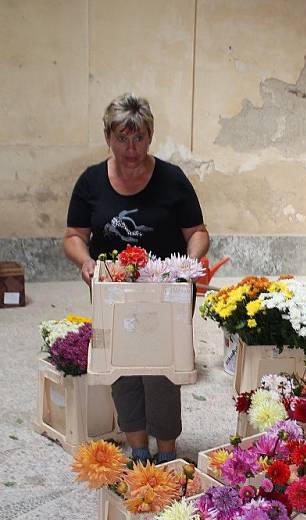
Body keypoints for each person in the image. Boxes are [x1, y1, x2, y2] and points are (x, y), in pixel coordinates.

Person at [64, 93, 209, 464]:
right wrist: (85, 261)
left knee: (163, 367)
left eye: (139, 138)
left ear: (150, 136)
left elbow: (197, 231)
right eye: (122, 138)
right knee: (123, 366)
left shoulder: (172, 179)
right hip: (115, 290)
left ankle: (168, 451)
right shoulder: (91, 182)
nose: (131, 148)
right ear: (108, 137)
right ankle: (138, 448)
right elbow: (74, 236)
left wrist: (187, 266)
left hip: (167, 291)